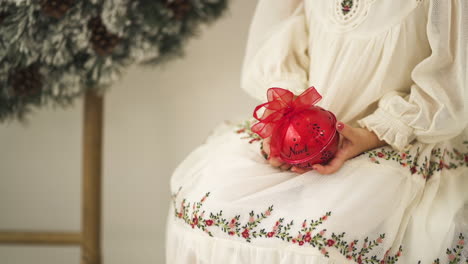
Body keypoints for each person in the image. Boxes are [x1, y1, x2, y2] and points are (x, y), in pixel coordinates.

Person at [166, 0, 468, 263]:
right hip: (304, 129)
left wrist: (374, 132)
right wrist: (287, 124)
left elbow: (450, 81)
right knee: (209, 199)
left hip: (393, 139)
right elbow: (281, 39)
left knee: (328, 230)